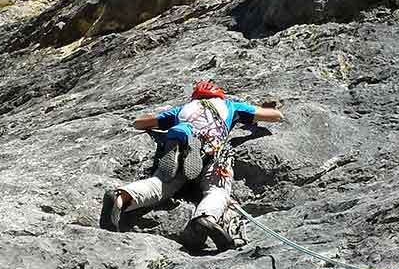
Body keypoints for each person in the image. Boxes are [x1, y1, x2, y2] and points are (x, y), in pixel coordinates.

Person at [101, 80, 284, 251]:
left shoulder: (182, 109)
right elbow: (276, 116)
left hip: (182, 151)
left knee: (161, 183)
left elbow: (139, 124)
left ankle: (121, 197)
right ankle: (205, 218)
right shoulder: (230, 105)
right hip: (214, 155)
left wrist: (150, 118)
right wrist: (258, 118)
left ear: (195, 96)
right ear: (218, 94)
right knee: (216, 191)